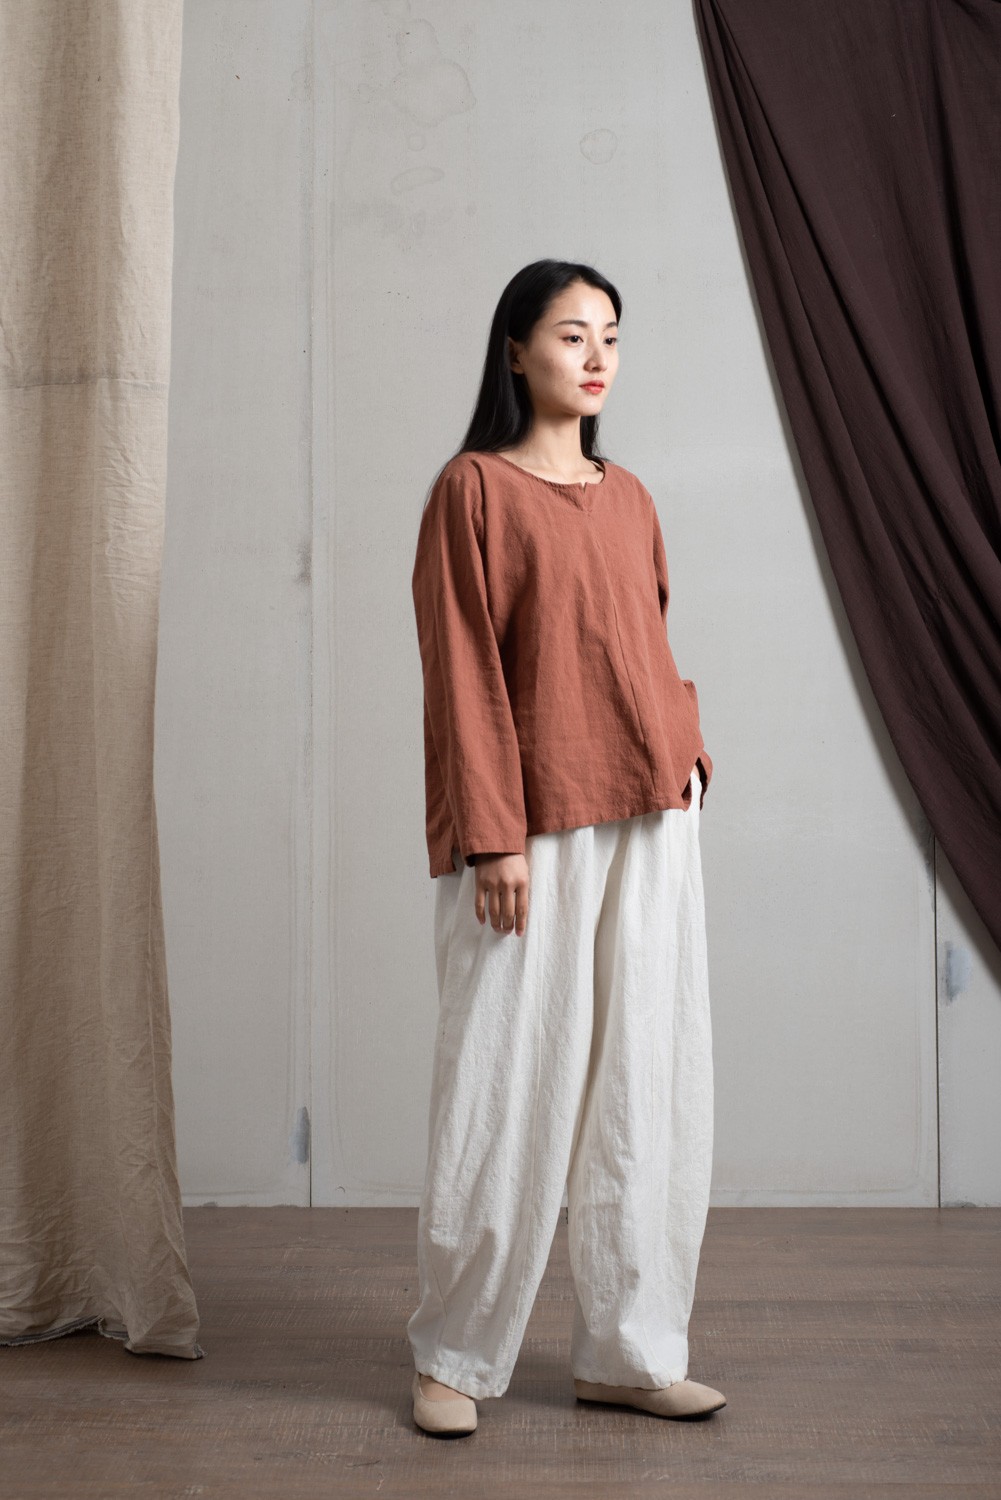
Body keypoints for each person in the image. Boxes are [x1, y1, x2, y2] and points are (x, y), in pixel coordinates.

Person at [407, 259, 726, 1437]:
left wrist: (688, 747)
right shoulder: (471, 490)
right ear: (514, 350)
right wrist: (492, 837)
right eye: (569, 334)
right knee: (503, 1085)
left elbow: (644, 635)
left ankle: (630, 1353)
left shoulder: (628, 494)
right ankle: (452, 1356)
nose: (595, 357)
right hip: (529, 828)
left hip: (653, 811)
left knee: (647, 1084)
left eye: (610, 336)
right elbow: (462, 671)